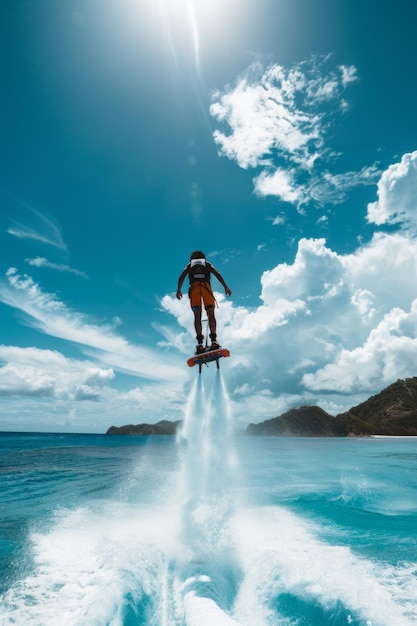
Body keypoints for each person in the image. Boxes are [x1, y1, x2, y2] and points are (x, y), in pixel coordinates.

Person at [176, 250, 232, 354]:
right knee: (211, 314)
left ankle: (200, 344)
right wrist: (225, 287)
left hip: (194, 289)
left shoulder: (190, 265)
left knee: (197, 316)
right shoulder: (206, 264)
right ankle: (214, 341)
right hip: (206, 288)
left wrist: (178, 290)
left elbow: (182, 276)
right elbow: (217, 274)